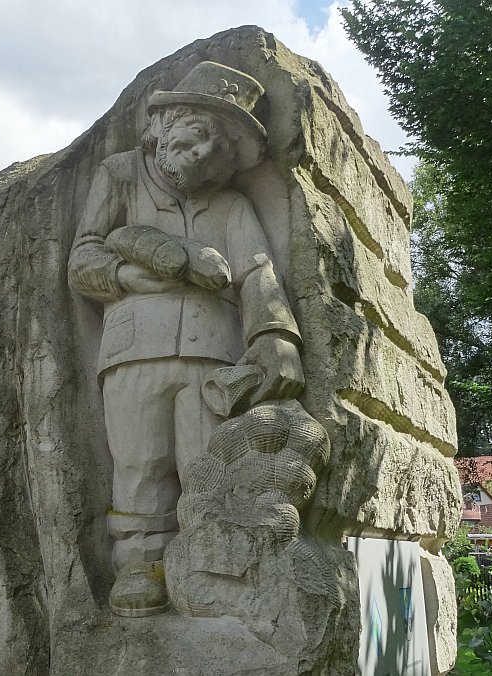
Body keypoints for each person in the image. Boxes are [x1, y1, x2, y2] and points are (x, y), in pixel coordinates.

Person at [68, 61, 303, 617]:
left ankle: (205, 563)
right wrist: (132, 276)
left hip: (212, 352)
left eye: (219, 149)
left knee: (206, 463)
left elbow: (258, 271)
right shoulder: (121, 175)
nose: (201, 155)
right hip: (133, 348)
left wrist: (275, 336)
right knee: (140, 462)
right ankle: (141, 565)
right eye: (195, 136)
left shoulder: (231, 205)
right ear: (163, 126)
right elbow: (84, 258)